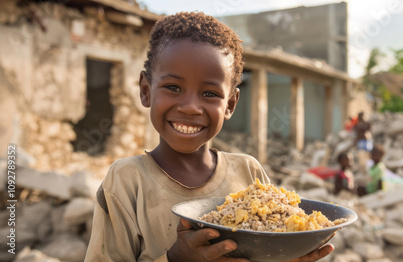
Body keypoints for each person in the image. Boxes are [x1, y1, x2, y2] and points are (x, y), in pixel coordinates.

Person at [85, 12, 333, 262]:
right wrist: (177, 258)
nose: (191, 107)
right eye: (173, 87)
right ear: (146, 90)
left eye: (210, 93)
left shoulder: (249, 173)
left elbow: (268, 246)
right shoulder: (127, 181)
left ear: (231, 104)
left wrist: (287, 254)